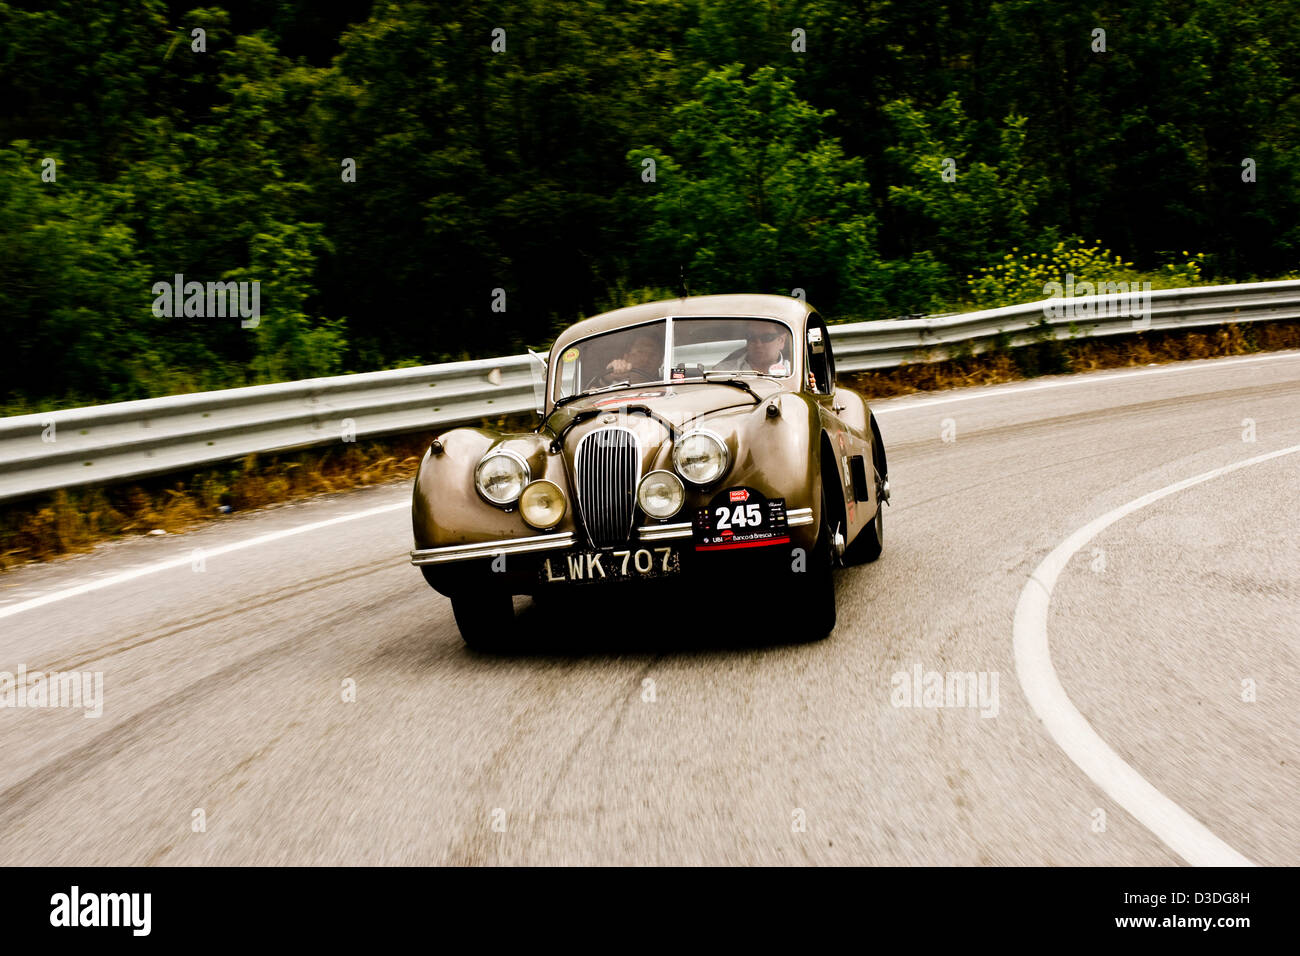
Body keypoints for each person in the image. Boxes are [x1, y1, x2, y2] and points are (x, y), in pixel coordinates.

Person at [711, 325, 791, 375]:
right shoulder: (722, 372)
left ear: (781, 341)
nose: (758, 344)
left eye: (766, 337)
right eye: (751, 337)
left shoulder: (795, 373)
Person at [589, 332, 662, 388]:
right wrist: (607, 377)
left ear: (660, 361)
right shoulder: (614, 389)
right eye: (640, 352)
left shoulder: (666, 386)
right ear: (626, 357)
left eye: (653, 355)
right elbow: (589, 402)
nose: (645, 359)